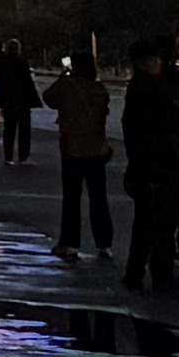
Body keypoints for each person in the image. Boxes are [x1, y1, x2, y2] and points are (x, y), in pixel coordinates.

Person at [123, 46, 179, 292]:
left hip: (159, 161)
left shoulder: (148, 87)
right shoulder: (155, 87)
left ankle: (145, 273)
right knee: (157, 220)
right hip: (158, 161)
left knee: (154, 220)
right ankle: (155, 274)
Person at [54, 47, 115, 259]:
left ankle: (70, 243)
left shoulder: (68, 87)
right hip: (97, 149)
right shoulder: (100, 90)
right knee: (99, 197)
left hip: (72, 148)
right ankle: (104, 243)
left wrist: (64, 77)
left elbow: (49, 98)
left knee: (72, 197)